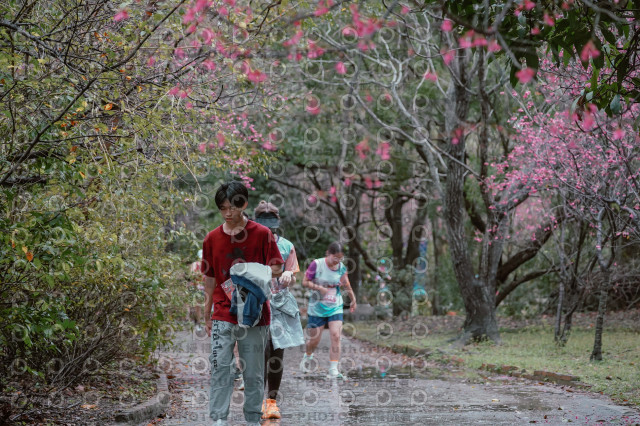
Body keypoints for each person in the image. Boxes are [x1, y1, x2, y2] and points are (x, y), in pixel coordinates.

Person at [202, 181, 284, 426]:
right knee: (220, 367)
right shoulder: (211, 238)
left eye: (233, 207)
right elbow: (209, 278)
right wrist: (206, 313)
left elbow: (277, 267)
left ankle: (252, 419)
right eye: (223, 208)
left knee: (254, 372)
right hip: (222, 312)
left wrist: (250, 273)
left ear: (244, 204)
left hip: (255, 314)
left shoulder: (262, 234)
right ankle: (218, 419)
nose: (228, 213)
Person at [253, 200, 304, 420]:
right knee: (261, 351)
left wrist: (288, 275)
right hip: (256, 303)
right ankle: (257, 401)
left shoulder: (286, 246)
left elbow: (293, 273)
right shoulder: (249, 244)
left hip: (280, 304)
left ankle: (271, 403)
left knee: (276, 353)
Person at [299, 242, 357, 379]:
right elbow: (305, 282)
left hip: (335, 306)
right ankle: (307, 356)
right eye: (335, 258)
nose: (337, 261)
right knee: (314, 340)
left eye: (340, 258)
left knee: (336, 335)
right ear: (328, 254)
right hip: (317, 307)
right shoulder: (317, 264)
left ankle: (333, 369)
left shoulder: (341, 268)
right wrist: (319, 288)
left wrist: (353, 299)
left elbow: (346, 284)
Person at [187, 249, 205, 328]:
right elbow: (191, 275)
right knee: (197, 306)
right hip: (195, 287)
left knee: (201, 306)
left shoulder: (207, 265)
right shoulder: (195, 264)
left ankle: (200, 322)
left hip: (204, 287)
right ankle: (198, 322)